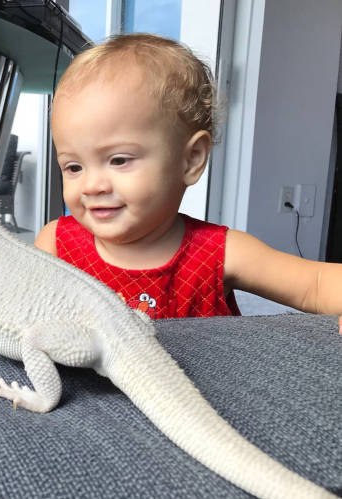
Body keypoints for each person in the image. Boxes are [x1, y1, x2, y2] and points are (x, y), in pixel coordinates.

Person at [34, 33, 342, 329]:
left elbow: (314, 284)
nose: (91, 186)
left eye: (118, 160)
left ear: (191, 159)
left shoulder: (219, 252)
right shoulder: (57, 245)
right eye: (73, 167)